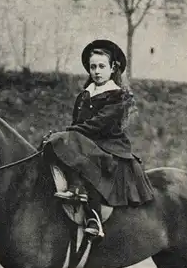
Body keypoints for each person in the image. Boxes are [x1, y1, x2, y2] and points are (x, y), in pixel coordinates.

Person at [43, 39, 154, 239]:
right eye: (93, 67)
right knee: (51, 146)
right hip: (84, 141)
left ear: (112, 68)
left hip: (108, 146)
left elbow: (100, 123)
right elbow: (78, 122)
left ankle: (93, 217)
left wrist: (69, 134)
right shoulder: (85, 95)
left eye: (102, 66)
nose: (96, 71)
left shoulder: (117, 97)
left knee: (71, 145)